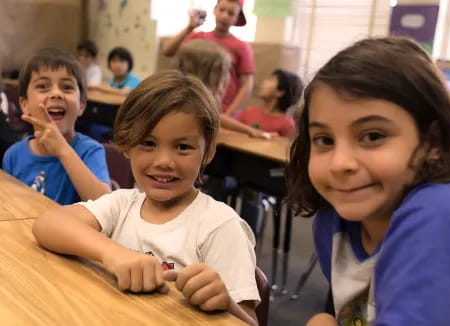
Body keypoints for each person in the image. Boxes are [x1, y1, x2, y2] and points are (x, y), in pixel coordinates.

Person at [286, 37, 450, 325]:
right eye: (324, 140)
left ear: (432, 142)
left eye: (372, 136)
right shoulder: (334, 222)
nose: (340, 163)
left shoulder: (442, 215)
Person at [32, 70, 260, 326]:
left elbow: (249, 322)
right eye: (148, 144)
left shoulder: (220, 226)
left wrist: (225, 303)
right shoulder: (123, 204)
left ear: (208, 152)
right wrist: (114, 254)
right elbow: (48, 224)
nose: (164, 162)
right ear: (128, 146)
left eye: (183, 147)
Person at [2, 48, 111, 204]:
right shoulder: (13, 155)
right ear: (25, 105)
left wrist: (62, 150)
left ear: (81, 105)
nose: (56, 93)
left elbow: (106, 205)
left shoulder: (90, 151)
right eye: (43, 86)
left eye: (67, 87)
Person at [162, 0, 254, 116]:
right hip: (191, 102)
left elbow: (247, 84)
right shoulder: (198, 37)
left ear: (237, 18)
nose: (225, 16)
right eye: (222, 10)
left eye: (231, 13)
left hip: (222, 110)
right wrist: (189, 28)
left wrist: (229, 113)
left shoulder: (242, 47)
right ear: (214, 10)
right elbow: (167, 51)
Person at [171, 39, 269, 139]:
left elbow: (219, 118)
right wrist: (245, 134)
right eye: (225, 72)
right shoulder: (188, 104)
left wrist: (250, 131)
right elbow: (213, 130)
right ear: (210, 77)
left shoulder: (197, 101)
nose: (228, 78)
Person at [237, 69, 303, 138]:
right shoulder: (249, 111)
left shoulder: (287, 124)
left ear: (280, 92)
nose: (264, 82)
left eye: (271, 80)